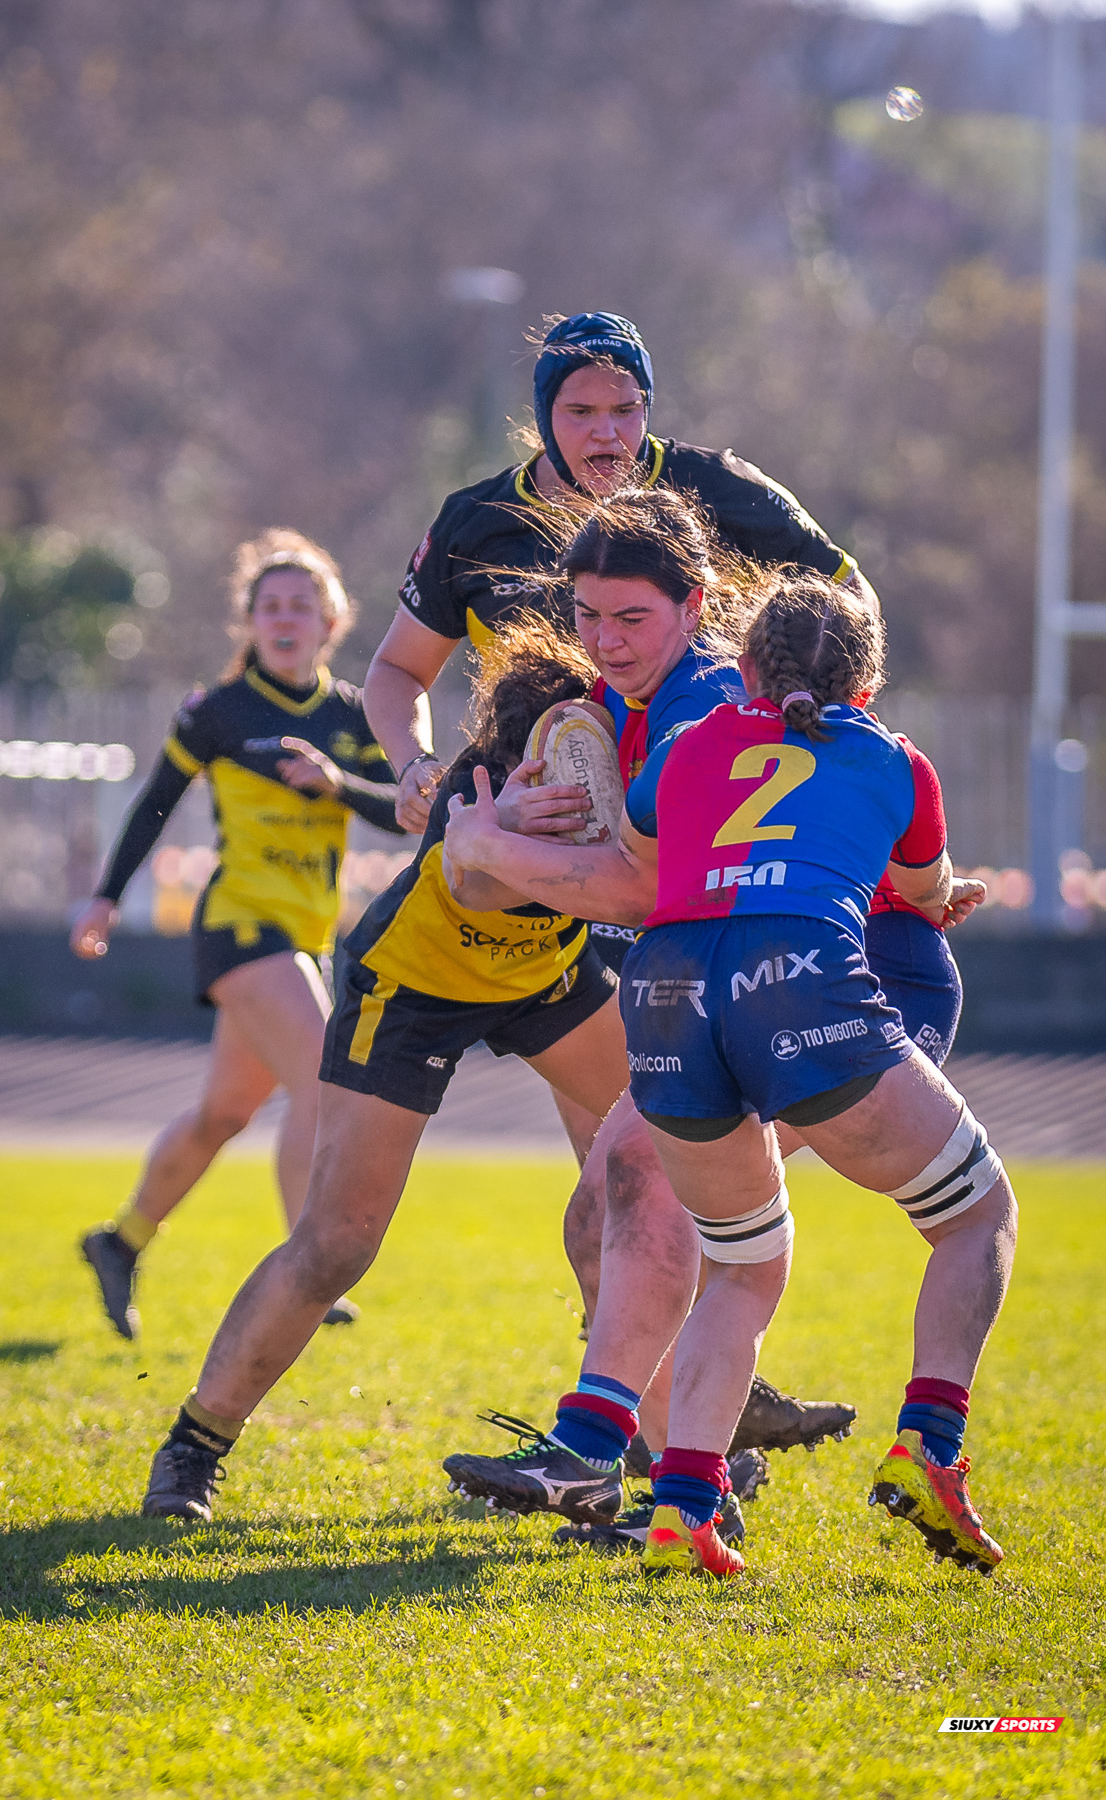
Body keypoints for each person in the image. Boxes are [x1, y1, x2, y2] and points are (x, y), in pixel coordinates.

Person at [363, 308, 877, 1450]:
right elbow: (395, 673)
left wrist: (802, 728)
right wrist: (415, 769)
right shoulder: (477, 521)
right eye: (580, 408)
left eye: (626, 406)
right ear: (541, 411)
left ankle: (653, 1436)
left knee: (630, 1183)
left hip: (680, 887)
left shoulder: (708, 494)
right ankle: (684, 1417)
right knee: (617, 1188)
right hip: (563, 892)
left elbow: (851, 606)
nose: (605, 430)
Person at [445, 564, 1015, 1580]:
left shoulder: (690, 741)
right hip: (799, 978)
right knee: (975, 1215)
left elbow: (641, 855)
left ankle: (680, 1505)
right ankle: (928, 1442)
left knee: (744, 1264)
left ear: (741, 663)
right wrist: (942, 888)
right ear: (867, 685)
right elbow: (922, 891)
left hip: (664, 990)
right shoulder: (896, 761)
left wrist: (492, 845)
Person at [136, 620, 634, 1520]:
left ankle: (630, 1448)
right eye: (565, 755)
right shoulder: (472, 790)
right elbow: (480, 885)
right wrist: (504, 833)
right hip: (410, 995)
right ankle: (193, 1445)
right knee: (336, 1245)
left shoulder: (620, 753)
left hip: (548, 978)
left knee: (645, 1174)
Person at [72, 530, 402, 1340]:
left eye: (302, 606)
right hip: (239, 927)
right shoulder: (219, 711)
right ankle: (310, 1262)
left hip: (308, 935)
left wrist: (341, 785)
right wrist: (105, 899)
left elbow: (408, 812)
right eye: (270, 606)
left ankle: (120, 1242)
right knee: (325, 1085)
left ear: (332, 620)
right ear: (249, 621)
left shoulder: (354, 715)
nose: (284, 619)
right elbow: (156, 803)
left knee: (223, 1114)